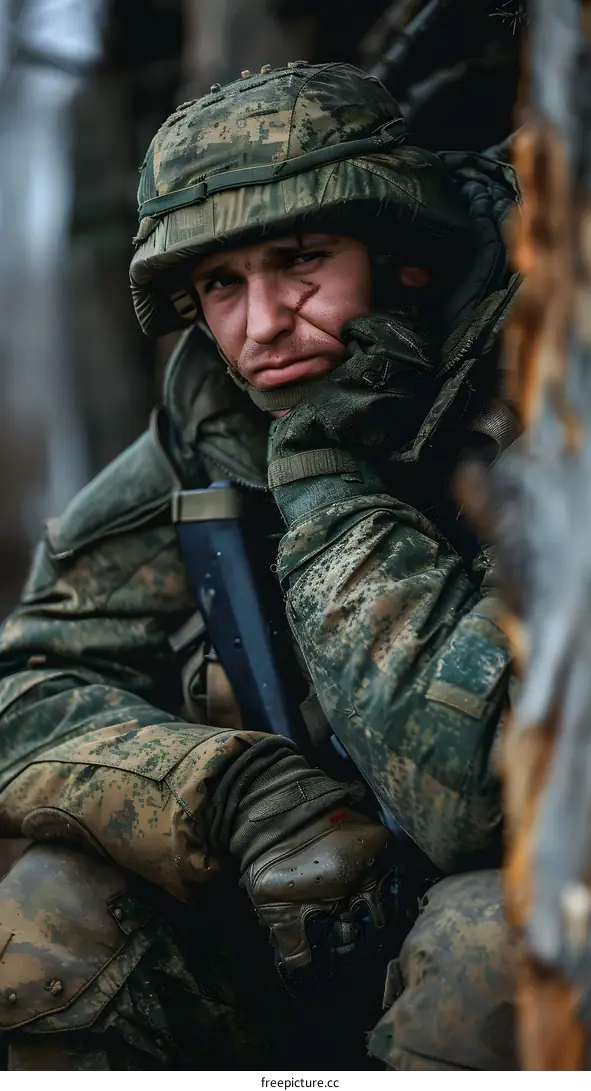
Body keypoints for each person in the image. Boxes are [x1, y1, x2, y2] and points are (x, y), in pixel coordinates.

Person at [0, 62, 519, 1070]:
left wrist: (323, 475)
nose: (262, 323)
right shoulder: (218, 419)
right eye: (221, 284)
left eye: (301, 258)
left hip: (519, 886)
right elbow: (27, 683)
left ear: (402, 252)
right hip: (311, 909)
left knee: (489, 943)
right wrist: (228, 794)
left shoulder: (551, 393)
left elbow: (470, 805)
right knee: (48, 910)